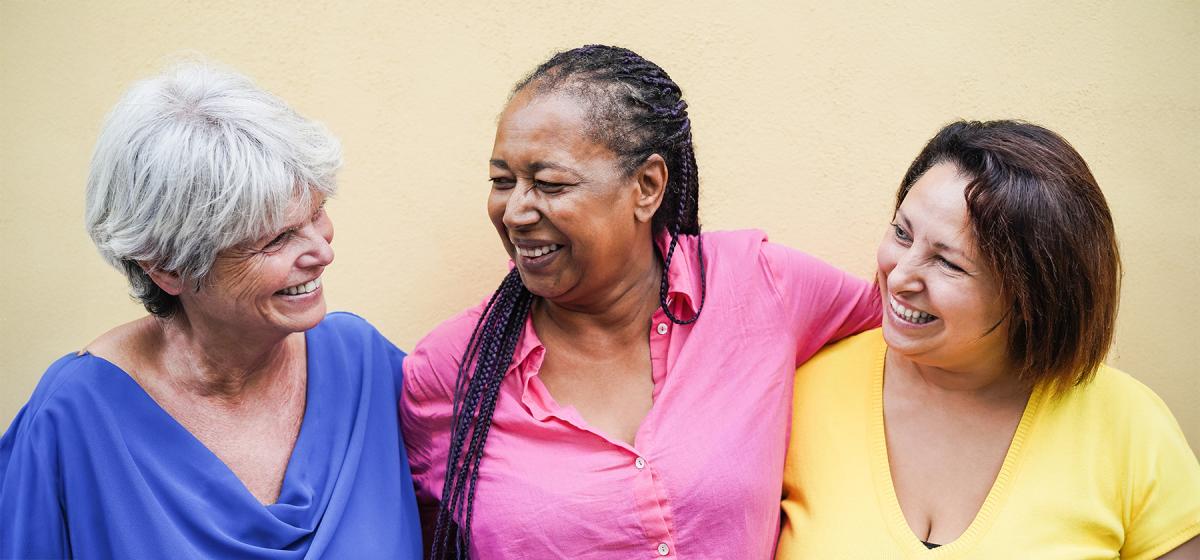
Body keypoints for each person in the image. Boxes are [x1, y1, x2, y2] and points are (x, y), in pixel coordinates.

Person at [401, 44, 881, 559]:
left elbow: (918, 334)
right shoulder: (451, 371)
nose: (516, 211)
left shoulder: (760, 284)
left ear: (647, 187)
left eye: (549, 184)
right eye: (502, 181)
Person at [0, 62, 422, 558]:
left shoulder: (363, 365)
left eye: (316, 214)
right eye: (277, 238)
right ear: (168, 268)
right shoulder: (73, 418)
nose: (322, 252)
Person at [777, 120, 1200, 558]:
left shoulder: (1130, 426)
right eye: (902, 233)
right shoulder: (801, 391)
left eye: (948, 264)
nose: (900, 276)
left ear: (1033, 297)